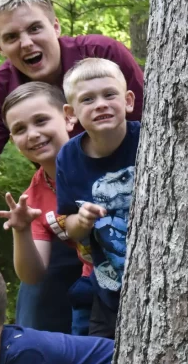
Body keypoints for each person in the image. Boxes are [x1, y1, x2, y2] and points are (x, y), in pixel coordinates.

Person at [0, 0, 145, 333]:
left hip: (127, 198)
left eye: (34, 29)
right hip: (61, 204)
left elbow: (152, 129)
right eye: (11, 36)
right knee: (37, 316)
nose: (26, 43)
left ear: (55, 26)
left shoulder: (100, 57)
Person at [0, 83, 97, 336]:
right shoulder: (34, 197)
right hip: (95, 286)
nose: (32, 134)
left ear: (68, 117)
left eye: (41, 120)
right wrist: (21, 230)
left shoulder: (104, 154)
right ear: (13, 140)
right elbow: (33, 274)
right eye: (20, 129)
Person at [55, 58, 140, 340]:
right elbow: (69, 225)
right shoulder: (68, 158)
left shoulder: (148, 138)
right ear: (71, 113)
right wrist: (85, 219)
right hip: (108, 289)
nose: (100, 104)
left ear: (128, 100)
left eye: (109, 94)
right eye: (88, 99)